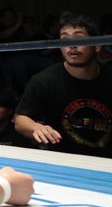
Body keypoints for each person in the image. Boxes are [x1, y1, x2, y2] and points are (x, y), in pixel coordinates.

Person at [14, 13, 112, 157]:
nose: (71, 46)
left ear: (97, 45)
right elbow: (20, 120)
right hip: (64, 159)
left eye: (79, 39)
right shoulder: (44, 80)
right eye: (65, 40)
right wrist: (35, 127)